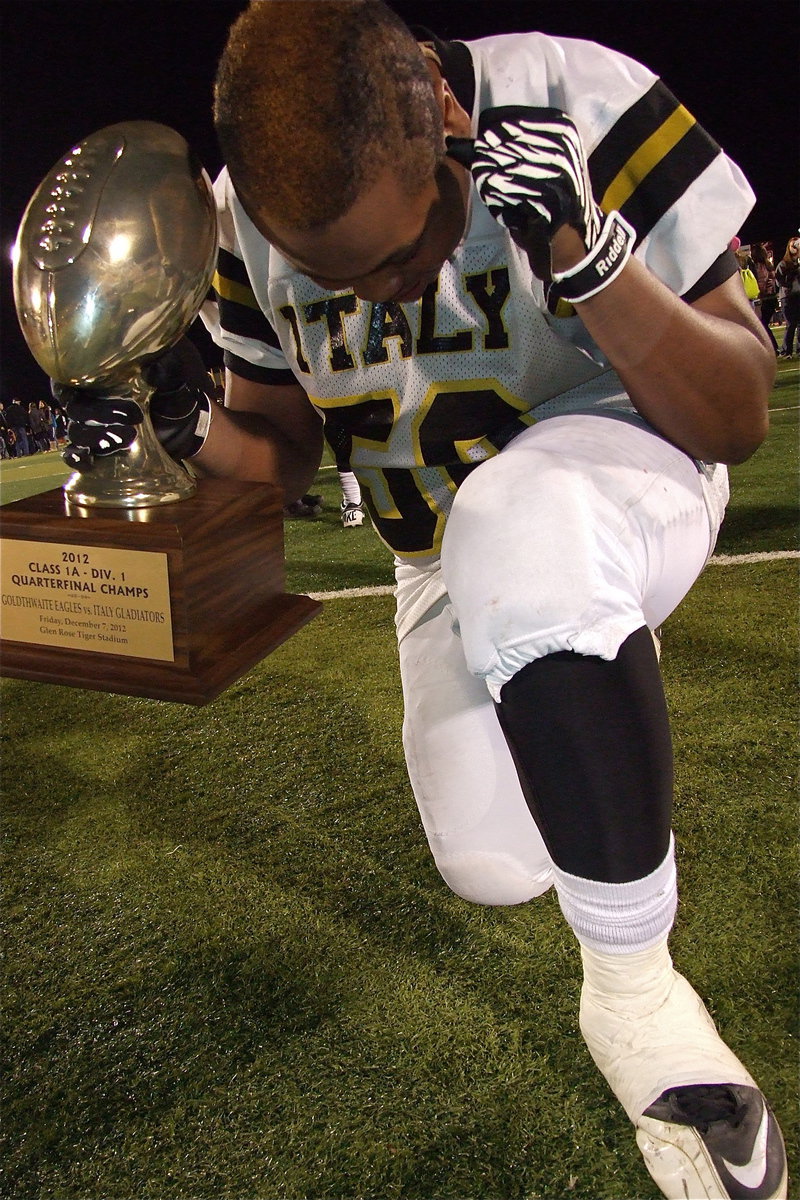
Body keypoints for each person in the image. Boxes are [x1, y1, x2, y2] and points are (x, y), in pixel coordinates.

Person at [56, 4, 786, 1197]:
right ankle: (575, 677)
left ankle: (639, 1004)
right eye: (345, 279)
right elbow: (277, 444)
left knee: (524, 530)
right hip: (433, 547)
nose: (388, 299)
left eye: (404, 255)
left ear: (446, 121)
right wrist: (170, 436)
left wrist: (587, 258)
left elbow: (735, 413)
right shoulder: (243, 216)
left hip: (627, 467)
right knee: (492, 863)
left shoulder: (571, 96)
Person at [750, 242, 780, 352]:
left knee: (762, 324)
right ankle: (773, 347)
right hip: (772, 297)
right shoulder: (769, 265)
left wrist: (757, 295)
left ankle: (773, 347)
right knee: (764, 324)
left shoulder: (759, 267)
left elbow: (761, 285)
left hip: (765, 299)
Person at [776, 235, 800, 358]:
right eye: (793, 246)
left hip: (798, 296)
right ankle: (787, 351)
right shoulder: (783, 264)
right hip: (788, 298)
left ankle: (799, 349)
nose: (796, 248)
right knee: (791, 324)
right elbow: (780, 282)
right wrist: (793, 271)